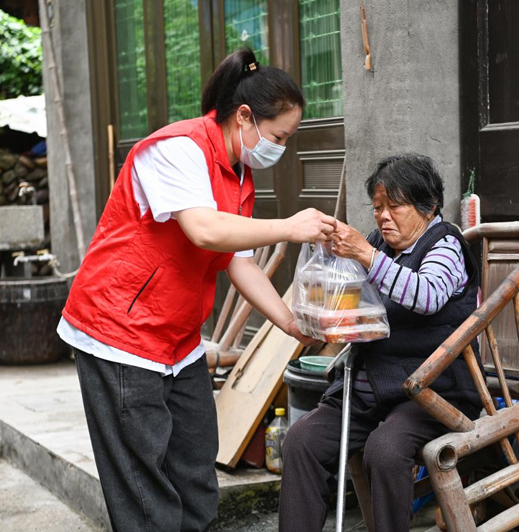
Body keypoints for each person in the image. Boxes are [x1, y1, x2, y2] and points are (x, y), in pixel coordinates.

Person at [57, 48, 336, 531]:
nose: (281, 149)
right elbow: (205, 231)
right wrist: (289, 226)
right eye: (278, 136)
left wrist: (290, 323)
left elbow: (237, 260)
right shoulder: (178, 148)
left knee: (195, 467)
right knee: (144, 481)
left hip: (177, 339)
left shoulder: (240, 173)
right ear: (244, 117)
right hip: (119, 332)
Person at [279, 153, 483, 531]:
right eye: (377, 207)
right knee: (302, 440)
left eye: (394, 206)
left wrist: (366, 255)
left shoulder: (445, 245)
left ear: (428, 205)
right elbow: (351, 299)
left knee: (385, 450)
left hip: (430, 392)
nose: (383, 216)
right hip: (369, 386)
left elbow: (427, 296)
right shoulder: (379, 244)